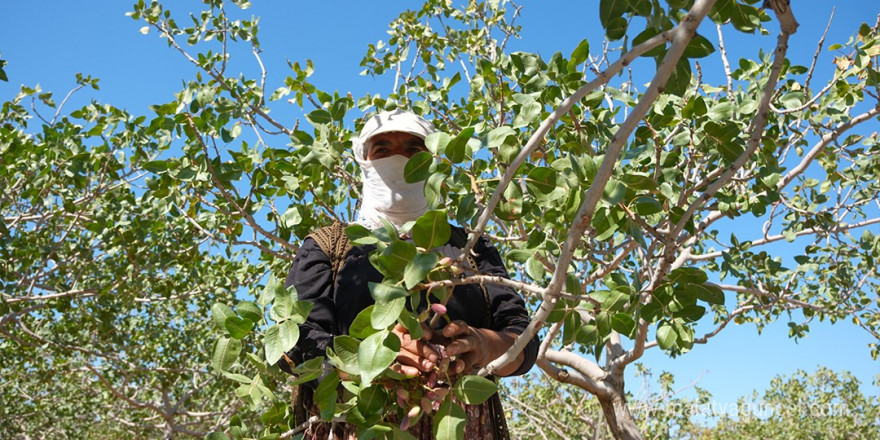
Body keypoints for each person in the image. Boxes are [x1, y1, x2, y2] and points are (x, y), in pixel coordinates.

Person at [279, 109, 539, 439]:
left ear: (430, 164)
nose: (398, 159)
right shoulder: (328, 245)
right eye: (382, 149)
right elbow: (294, 344)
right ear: (365, 161)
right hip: (354, 426)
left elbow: (523, 340)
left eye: (413, 150)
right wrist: (367, 361)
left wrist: (484, 345)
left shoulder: (472, 247)